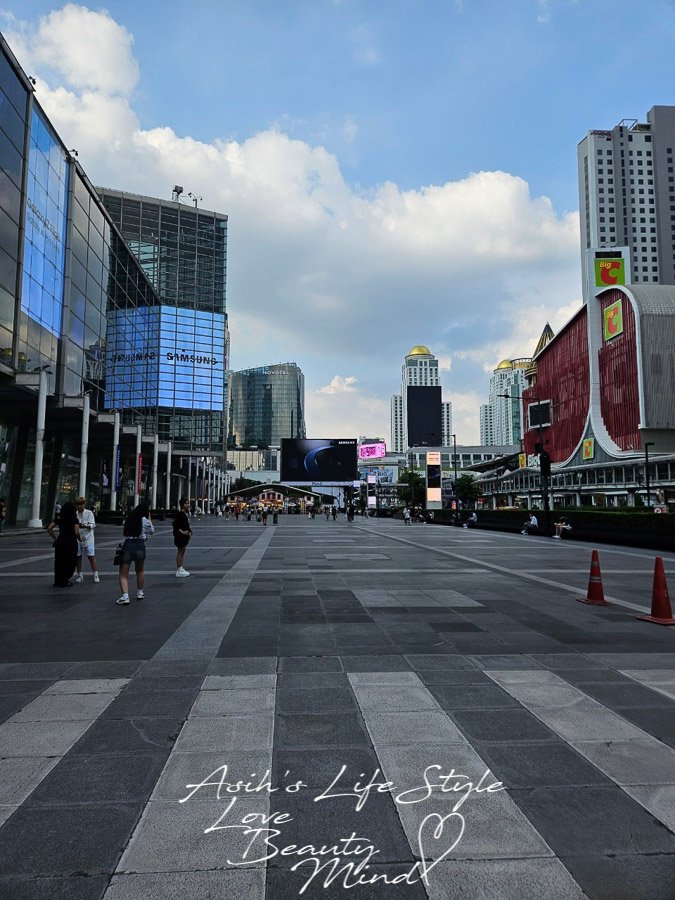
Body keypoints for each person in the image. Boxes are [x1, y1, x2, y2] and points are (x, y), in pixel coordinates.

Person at [116, 503, 154, 605]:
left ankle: (125, 597)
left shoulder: (128, 519)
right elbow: (152, 531)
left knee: (124, 574)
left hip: (128, 545)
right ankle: (140, 592)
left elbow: (125, 532)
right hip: (140, 545)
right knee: (140, 570)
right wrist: (149, 519)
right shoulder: (145, 521)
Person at [47, 500, 80, 587]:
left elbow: (49, 528)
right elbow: (76, 533)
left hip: (60, 541)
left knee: (59, 561)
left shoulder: (59, 517)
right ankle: (65, 580)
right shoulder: (74, 519)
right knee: (70, 561)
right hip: (71, 542)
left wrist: (55, 538)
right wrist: (80, 539)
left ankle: (58, 580)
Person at [74, 496, 100, 583]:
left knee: (91, 556)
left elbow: (93, 525)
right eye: (77, 505)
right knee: (78, 557)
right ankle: (80, 575)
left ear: (84, 504)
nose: (79, 506)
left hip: (88, 538)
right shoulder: (75, 514)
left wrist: (85, 525)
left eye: (81, 504)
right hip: (78, 538)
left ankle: (95, 575)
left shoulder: (89, 513)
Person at [173, 497, 193, 577]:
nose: (188, 505)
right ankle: (179, 570)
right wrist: (183, 532)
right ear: (182, 505)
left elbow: (187, 526)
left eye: (188, 503)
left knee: (182, 552)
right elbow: (175, 525)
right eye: (186, 503)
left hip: (183, 537)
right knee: (181, 552)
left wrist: (190, 532)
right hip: (180, 537)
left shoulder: (184, 514)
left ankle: (181, 568)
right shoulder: (180, 514)